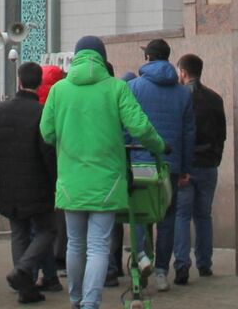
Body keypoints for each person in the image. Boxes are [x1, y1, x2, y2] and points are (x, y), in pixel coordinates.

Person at [39, 36, 165, 309]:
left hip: (71, 182)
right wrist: (159, 145)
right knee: (98, 246)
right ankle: (90, 303)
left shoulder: (59, 90)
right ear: (102, 57)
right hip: (107, 182)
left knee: (74, 243)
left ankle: (74, 298)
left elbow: (46, 132)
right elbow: (140, 127)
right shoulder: (116, 88)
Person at [0, 61, 57, 304]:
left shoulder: (1, 110)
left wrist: (3, 151)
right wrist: (55, 178)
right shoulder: (42, 112)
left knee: (19, 233)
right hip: (38, 184)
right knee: (47, 230)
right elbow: (48, 152)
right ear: (40, 83)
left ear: (19, 81)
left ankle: (25, 287)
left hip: (10, 182)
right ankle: (23, 270)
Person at [128, 38, 194, 294]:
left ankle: (141, 259)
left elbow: (125, 128)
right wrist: (185, 167)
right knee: (166, 218)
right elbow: (188, 133)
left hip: (139, 163)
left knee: (139, 214)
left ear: (148, 59)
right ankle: (161, 273)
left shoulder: (133, 87)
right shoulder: (182, 93)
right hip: (170, 165)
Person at [174, 52, 224, 285]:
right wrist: (215, 160)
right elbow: (221, 135)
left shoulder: (180, 97)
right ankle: (205, 264)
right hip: (208, 165)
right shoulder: (215, 98)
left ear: (183, 72)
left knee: (182, 216)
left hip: (186, 166)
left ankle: (182, 265)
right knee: (204, 216)